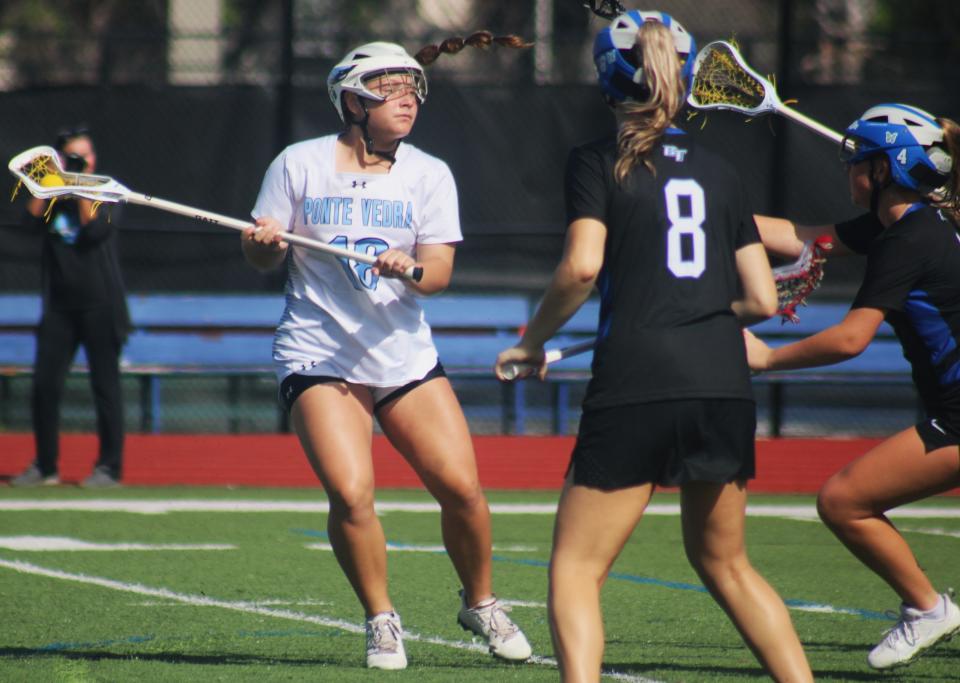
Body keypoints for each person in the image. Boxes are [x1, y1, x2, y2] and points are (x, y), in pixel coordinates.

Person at [495, 11, 814, 682]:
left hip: (637, 379)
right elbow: (760, 298)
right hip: (721, 382)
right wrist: (703, 311)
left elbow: (583, 267)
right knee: (726, 562)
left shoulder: (596, 159)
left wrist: (533, 342)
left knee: (577, 567)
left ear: (608, 79)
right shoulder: (721, 171)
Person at [241, 40, 531, 670]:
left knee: (462, 490)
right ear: (352, 99)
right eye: (391, 89)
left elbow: (441, 273)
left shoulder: (429, 174)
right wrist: (264, 243)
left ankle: (479, 602)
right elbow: (263, 257)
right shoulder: (298, 163)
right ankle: (381, 619)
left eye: (414, 89)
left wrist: (410, 269)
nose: (408, 100)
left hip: (401, 352)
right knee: (350, 493)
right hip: (318, 350)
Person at [745, 103, 960, 670]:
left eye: (858, 161)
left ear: (885, 171)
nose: (848, 171)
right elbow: (806, 239)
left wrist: (765, 358)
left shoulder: (906, 240)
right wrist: (710, 207)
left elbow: (849, 340)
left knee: (843, 501)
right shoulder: (911, 224)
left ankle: (926, 608)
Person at [10, 126, 129, 489]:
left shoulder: (107, 192)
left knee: (105, 388)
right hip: (59, 307)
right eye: (73, 157)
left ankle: (109, 467)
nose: (82, 161)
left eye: (86, 155)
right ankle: (46, 465)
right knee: (45, 385)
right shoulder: (52, 198)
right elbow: (28, 224)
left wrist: (79, 184)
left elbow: (95, 233)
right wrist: (48, 182)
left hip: (101, 306)